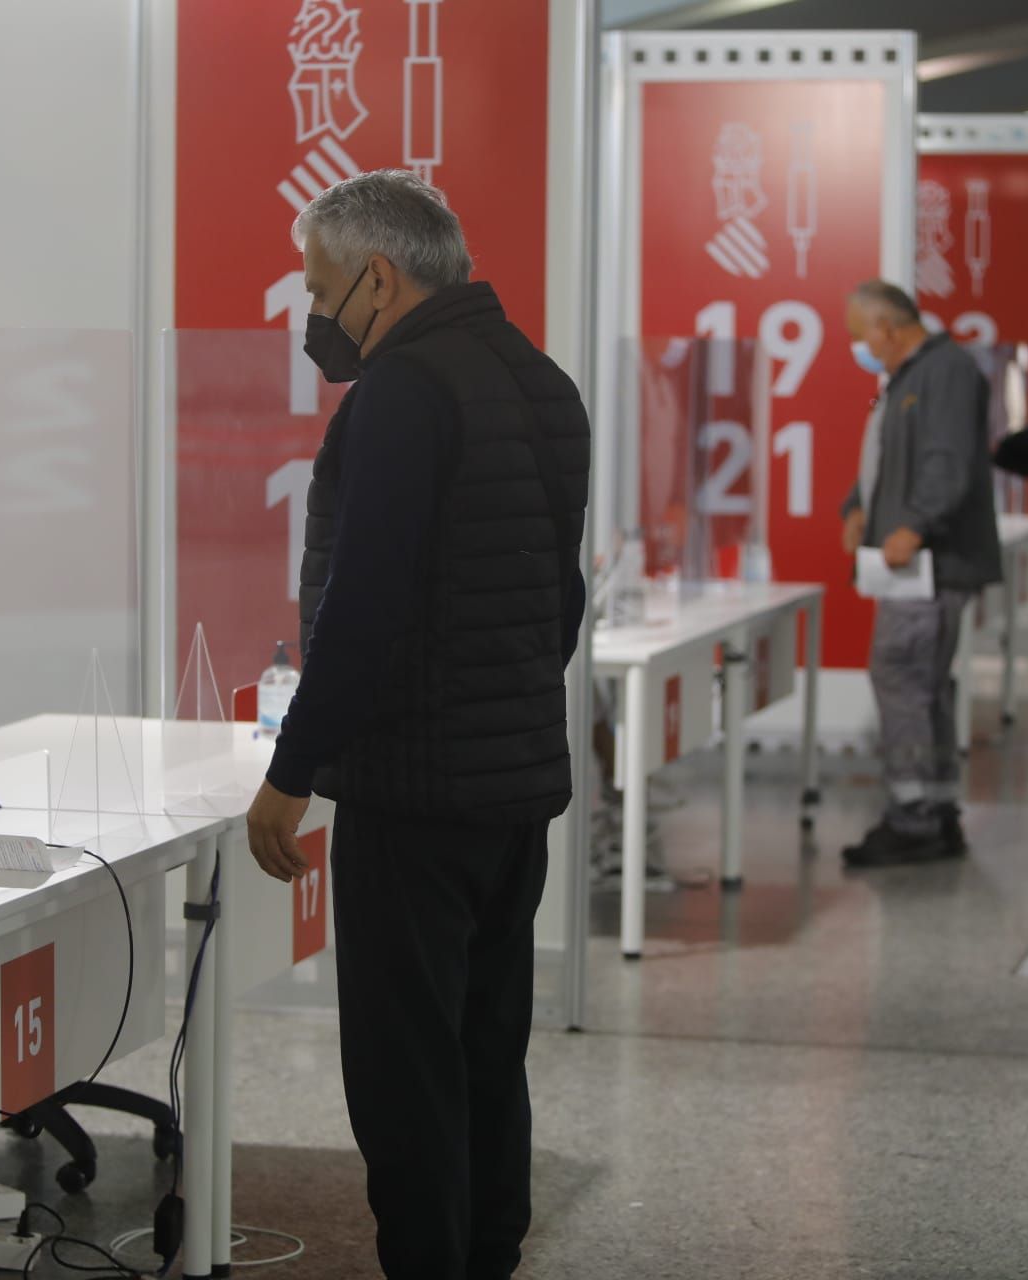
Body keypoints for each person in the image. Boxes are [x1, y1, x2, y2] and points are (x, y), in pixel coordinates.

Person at [243, 170, 589, 1279]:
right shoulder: (540, 380)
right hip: (515, 779)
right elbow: (560, 599)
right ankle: (489, 1253)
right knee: (489, 1045)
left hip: (415, 788)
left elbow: (367, 600)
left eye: (320, 285)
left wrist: (291, 771)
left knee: (404, 1068)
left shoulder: (402, 391)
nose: (313, 313)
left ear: (378, 279)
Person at [838, 281, 1001, 868]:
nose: (860, 348)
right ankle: (934, 808)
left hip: (930, 561)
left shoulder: (945, 372)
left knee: (902, 674)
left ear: (889, 326)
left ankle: (914, 817)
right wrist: (857, 506)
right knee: (920, 682)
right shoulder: (907, 378)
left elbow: (946, 461)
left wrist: (915, 524)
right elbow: (890, 456)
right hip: (909, 561)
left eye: (862, 336)